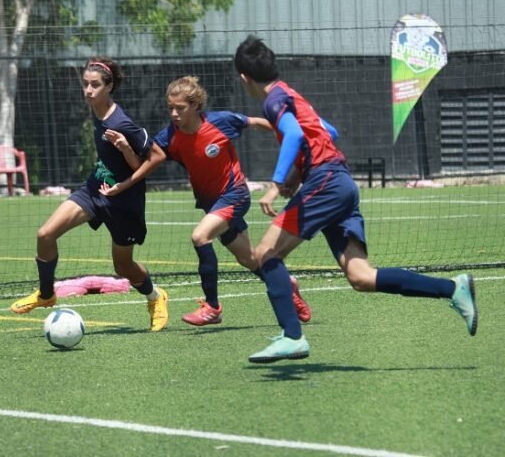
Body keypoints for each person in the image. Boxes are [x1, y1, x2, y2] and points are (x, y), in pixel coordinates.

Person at [233, 35, 478, 363]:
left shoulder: (272, 101)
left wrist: (278, 183)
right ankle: (453, 288)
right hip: (340, 182)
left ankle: (292, 337)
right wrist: (296, 176)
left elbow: (294, 135)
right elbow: (327, 132)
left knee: (265, 253)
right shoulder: (291, 95)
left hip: (327, 182)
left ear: (244, 78)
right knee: (361, 276)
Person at [9, 57, 169, 332]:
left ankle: (156, 297)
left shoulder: (123, 122)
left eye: (95, 85)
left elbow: (156, 157)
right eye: (85, 84)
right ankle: (46, 294)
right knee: (45, 235)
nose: (88, 90)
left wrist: (126, 159)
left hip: (124, 202)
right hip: (96, 189)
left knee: (123, 267)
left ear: (109, 87)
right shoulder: (97, 111)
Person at [148, 76, 311, 326]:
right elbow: (148, 155)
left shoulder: (219, 121)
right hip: (212, 203)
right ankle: (288, 286)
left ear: (195, 106)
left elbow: (255, 122)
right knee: (248, 259)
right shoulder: (169, 136)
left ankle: (212, 307)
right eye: (170, 108)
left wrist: (292, 134)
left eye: (179, 108)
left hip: (235, 195)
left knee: (200, 237)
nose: (174, 113)